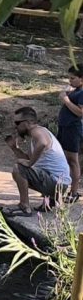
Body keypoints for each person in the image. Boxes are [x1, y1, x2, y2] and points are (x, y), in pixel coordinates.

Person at [4, 106, 72, 216]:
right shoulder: (37, 135)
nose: (15, 127)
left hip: (57, 183)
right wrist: (14, 148)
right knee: (22, 169)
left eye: (17, 123)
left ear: (26, 122)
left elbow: (43, 143)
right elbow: (28, 159)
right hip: (60, 185)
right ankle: (51, 200)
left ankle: (24, 207)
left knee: (18, 169)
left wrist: (30, 163)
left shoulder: (37, 131)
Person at [57, 66, 83, 200]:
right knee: (63, 158)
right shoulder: (76, 90)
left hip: (73, 128)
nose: (70, 81)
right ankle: (60, 188)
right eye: (69, 78)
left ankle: (73, 192)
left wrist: (66, 100)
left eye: (73, 78)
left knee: (73, 160)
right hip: (65, 127)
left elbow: (80, 112)